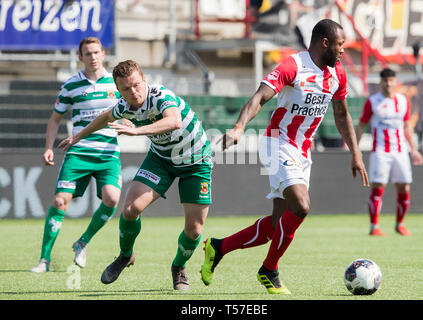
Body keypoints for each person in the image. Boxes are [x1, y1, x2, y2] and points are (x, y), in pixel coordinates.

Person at [200, 19, 369, 294]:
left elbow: (341, 114)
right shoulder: (294, 66)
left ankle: (218, 247)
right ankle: (269, 270)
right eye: (339, 45)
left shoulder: (337, 73)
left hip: (303, 151)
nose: (342, 51)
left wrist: (356, 153)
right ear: (324, 42)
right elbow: (259, 98)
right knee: (301, 206)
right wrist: (239, 127)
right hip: (277, 144)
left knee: (276, 225)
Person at [58, 60, 213, 291]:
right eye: (126, 89)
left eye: (136, 85)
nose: (133, 92)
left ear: (144, 80)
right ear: (118, 90)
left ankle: (178, 267)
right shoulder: (124, 106)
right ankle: (125, 255)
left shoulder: (160, 95)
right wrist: (77, 137)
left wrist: (137, 131)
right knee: (130, 210)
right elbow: (105, 117)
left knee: (194, 230)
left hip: (195, 162)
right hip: (161, 160)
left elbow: (174, 121)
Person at [31, 37, 123, 273]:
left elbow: (133, 108)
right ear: (80, 57)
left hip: (107, 153)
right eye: (87, 53)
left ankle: (82, 241)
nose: (92, 57)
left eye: (96, 52)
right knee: (60, 201)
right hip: (79, 152)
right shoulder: (71, 85)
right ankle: (44, 260)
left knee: (112, 199)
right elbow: (55, 119)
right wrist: (48, 147)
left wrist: (133, 126)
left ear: (103, 53)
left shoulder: (117, 84)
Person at [356, 68, 423, 236]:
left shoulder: (403, 101)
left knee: (404, 187)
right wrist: (355, 150)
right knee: (378, 187)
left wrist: (414, 149)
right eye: (385, 80)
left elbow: (407, 126)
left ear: (395, 81)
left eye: (391, 80)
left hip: (400, 151)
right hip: (380, 151)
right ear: (381, 82)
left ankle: (400, 223)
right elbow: (361, 125)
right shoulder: (373, 101)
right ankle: (374, 226)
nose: (388, 84)